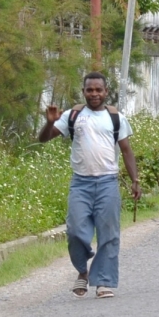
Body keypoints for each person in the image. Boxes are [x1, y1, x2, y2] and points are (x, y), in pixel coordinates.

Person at [38, 71, 141, 299]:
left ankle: (103, 281)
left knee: (109, 234)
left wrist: (135, 180)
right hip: (80, 184)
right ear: (83, 92)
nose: (94, 94)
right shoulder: (73, 116)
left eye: (98, 90)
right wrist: (49, 123)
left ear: (106, 92)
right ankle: (83, 272)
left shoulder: (116, 118)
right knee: (75, 231)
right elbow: (43, 138)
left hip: (107, 183)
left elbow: (126, 150)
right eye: (89, 90)